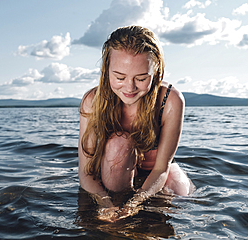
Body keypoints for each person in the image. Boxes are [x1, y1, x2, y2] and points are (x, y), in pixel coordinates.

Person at [79, 25, 194, 222]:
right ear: (106, 70)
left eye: (141, 78)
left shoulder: (170, 100)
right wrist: (107, 204)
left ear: (156, 71)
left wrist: (135, 203)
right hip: (114, 171)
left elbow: (161, 168)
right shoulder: (93, 101)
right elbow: (85, 173)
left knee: (183, 197)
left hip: (156, 171)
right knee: (118, 144)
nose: (129, 87)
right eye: (119, 77)